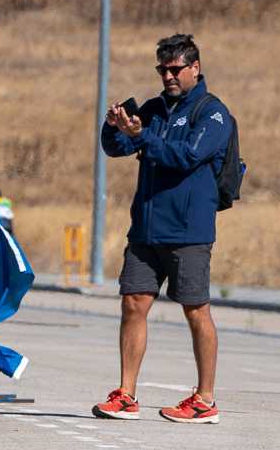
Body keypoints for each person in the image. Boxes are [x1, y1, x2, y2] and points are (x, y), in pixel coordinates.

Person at [94, 33, 231, 425]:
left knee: (195, 310)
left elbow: (186, 155)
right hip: (146, 229)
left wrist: (142, 136)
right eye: (162, 69)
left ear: (195, 68)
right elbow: (117, 148)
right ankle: (126, 393)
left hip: (188, 230)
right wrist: (113, 127)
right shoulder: (154, 109)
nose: (168, 76)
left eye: (175, 69)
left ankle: (205, 399)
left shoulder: (213, 113)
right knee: (133, 304)